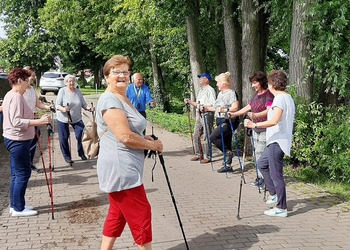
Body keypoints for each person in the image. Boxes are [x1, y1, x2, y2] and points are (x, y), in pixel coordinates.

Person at [96, 55, 163, 250]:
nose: (122, 75)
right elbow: (124, 136)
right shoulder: (110, 99)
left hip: (125, 167)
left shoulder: (122, 96)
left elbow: (131, 130)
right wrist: (153, 146)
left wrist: (145, 139)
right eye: (116, 72)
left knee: (117, 214)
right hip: (121, 169)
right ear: (107, 76)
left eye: (125, 71)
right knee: (141, 214)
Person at [244, 70, 295, 218]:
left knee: (276, 175)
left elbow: (274, 121)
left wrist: (254, 126)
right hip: (275, 140)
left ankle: (281, 208)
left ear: (272, 83)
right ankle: (273, 194)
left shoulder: (279, 99)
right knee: (262, 164)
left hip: (278, 141)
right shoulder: (288, 97)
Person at [2, 68, 51, 216]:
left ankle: (16, 205)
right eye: (26, 80)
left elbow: (15, 116)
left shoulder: (11, 95)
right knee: (23, 173)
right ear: (19, 81)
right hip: (18, 139)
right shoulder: (16, 96)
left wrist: (32, 115)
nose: (28, 83)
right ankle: (18, 209)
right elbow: (16, 121)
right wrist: (38, 121)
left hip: (14, 138)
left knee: (17, 174)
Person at [229, 71, 274, 188]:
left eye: (255, 83)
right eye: (252, 83)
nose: (253, 85)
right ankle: (260, 177)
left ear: (261, 82)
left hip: (265, 128)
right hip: (255, 129)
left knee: (260, 152)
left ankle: (265, 179)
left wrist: (255, 116)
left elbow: (269, 111)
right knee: (256, 153)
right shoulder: (256, 95)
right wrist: (235, 114)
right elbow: (249, 107)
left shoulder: (268, 95)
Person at [202, 72, 239, 173]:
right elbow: (216, 108)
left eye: (218, 82)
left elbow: (235, 107)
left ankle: (228, 153)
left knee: (213, 137)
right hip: (220, 119)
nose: (217, 84)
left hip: (228, 120)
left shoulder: (231, 93)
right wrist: (205, 108)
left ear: (223, 83)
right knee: (226, 141)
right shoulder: (220, 94)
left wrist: (225, 110)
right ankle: (228, 165)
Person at [55, 74, 93, 163]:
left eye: (73, 81)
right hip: (64, 117)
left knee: (81, 134)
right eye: (69, 81)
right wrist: (64, 109)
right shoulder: (62, 91)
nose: (71, 83)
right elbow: (57, 105)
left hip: (76, 118)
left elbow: (83, 104)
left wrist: (89, 108)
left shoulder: (78, 92)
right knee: (64, 138)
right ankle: (67, 156)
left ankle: (81, 153)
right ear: (66, 82)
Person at [23, 66, 53, 172]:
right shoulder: (21, 90)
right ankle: (24, 165)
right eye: (32, 75)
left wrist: (48, 107)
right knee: (25, 144)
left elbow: (38, 104)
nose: (33, 77)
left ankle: (30, 163)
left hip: (34, 120)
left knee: (34, 140)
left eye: (34, 75)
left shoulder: (32, 90)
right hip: (25, 121)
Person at [185, 73, 216, 164]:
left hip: (207, 114)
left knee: (207, 135)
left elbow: (213, 103)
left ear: (207, 80)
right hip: (199, 114)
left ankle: (208, 156)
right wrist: (189, 102)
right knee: (196, 135)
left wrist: (204, 106)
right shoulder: (201, 90)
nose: (200, 80)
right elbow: (198, 104)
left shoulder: (210, 90)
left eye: (202, 78)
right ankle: (198, 154)